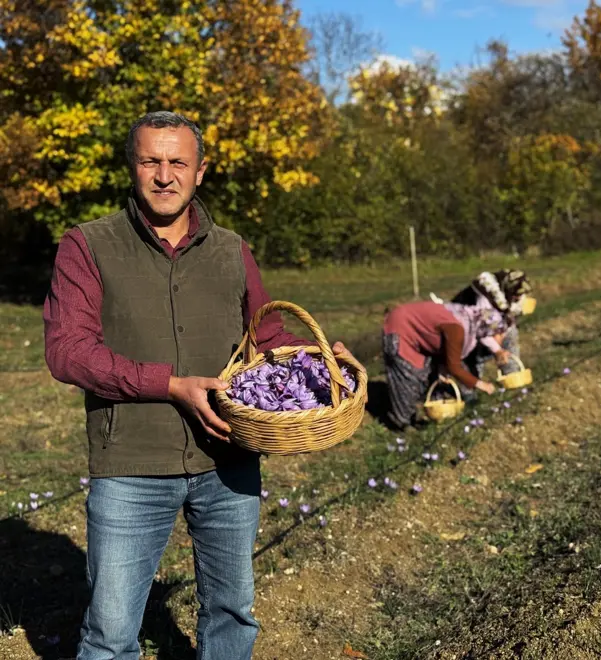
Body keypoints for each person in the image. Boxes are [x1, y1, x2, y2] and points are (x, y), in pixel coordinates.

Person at [43, 111, 356, 660]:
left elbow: (267, 336)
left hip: (228, 458)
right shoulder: (88, 245)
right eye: (151, 161)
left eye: (178, 162)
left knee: (232, 614)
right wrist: (168, 384)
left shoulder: (231, 249)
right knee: (111, 634)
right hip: (131, 465)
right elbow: (67, 351)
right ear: (133, 167)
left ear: (200, 171)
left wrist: (315, 358)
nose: (165, 175)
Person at [382, 300, 498, 429]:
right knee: (407, 375)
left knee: (423, 374)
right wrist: (481, 384)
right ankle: (403, 423)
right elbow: (454, 367)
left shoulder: (462, 318)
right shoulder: (457, 329)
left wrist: (443, 368)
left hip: (409, 328)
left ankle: (413, 415)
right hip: (399, 328)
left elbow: (442, 347)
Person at [450, 269, 532, 383]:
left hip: (485, 326)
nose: (519, 298)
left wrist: (502, 332)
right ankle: (469, 387)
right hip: (465, 327)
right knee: (473, 354)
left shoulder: (509, 296)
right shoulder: (486, 299)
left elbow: (509, 316)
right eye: (517, 295)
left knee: (511, 334)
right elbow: (481, 328)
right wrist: (497, 350)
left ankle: (512, 375)